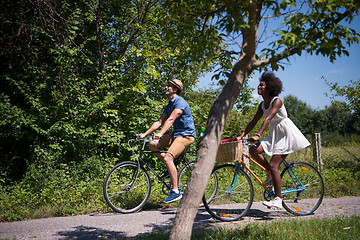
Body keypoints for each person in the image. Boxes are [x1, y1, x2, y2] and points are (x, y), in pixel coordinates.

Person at [236, 72, 310, 210]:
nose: (259, 87)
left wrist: (258, 134)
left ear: (270, 87)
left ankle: (278, 199)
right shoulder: (262, 105)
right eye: (259, 84)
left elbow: (268, 119)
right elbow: (254, 121)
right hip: (275, 135)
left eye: (262, 85)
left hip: (286, 135)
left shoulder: (277, 101)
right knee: (254, 150)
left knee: (274, 165)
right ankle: (270, 174)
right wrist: (242, 134)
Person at [139, 79, 196, 203]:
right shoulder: (169, 105)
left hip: (186, 136)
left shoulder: (180, 102)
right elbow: (159, 122)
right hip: (176, 135)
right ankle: (171, 167)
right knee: (152, 144)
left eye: (169, 86)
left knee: (167, 158)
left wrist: (160, 134)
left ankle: (175, 191)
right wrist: (145, 134)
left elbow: (171, 120)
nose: (166, 87)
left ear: (175, 90)